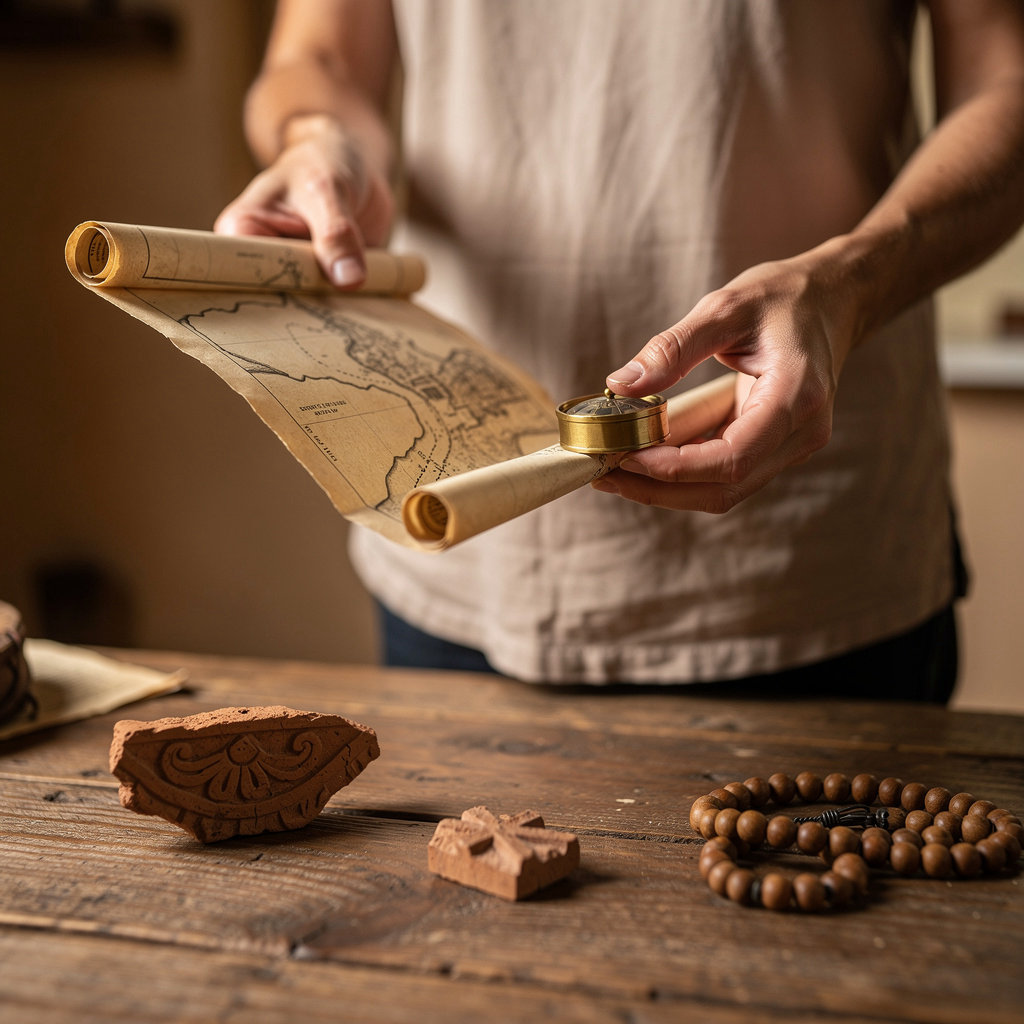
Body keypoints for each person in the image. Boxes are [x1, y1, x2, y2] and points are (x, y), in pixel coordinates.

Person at [216, 0, 1024, 702]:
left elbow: (1005, 83)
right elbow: (315, 56)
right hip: (462, 544)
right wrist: (319, 140)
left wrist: (845, 287)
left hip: (811, 568)